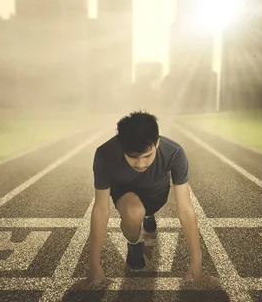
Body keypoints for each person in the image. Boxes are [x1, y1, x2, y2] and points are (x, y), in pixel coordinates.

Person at [72, 111, 221, 290]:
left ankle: (149, 215)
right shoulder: (105, 154)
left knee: (145, 212)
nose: (141, 164)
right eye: (133, 157)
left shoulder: (174, 152)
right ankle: (134, 243)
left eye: (147, 156)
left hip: (156, 194)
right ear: (121, 146)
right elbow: (101, 209)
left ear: (157, 143)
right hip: (126, 195)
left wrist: (197, 264)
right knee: (135, 213)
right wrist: (94, 266)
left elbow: (185, 209)